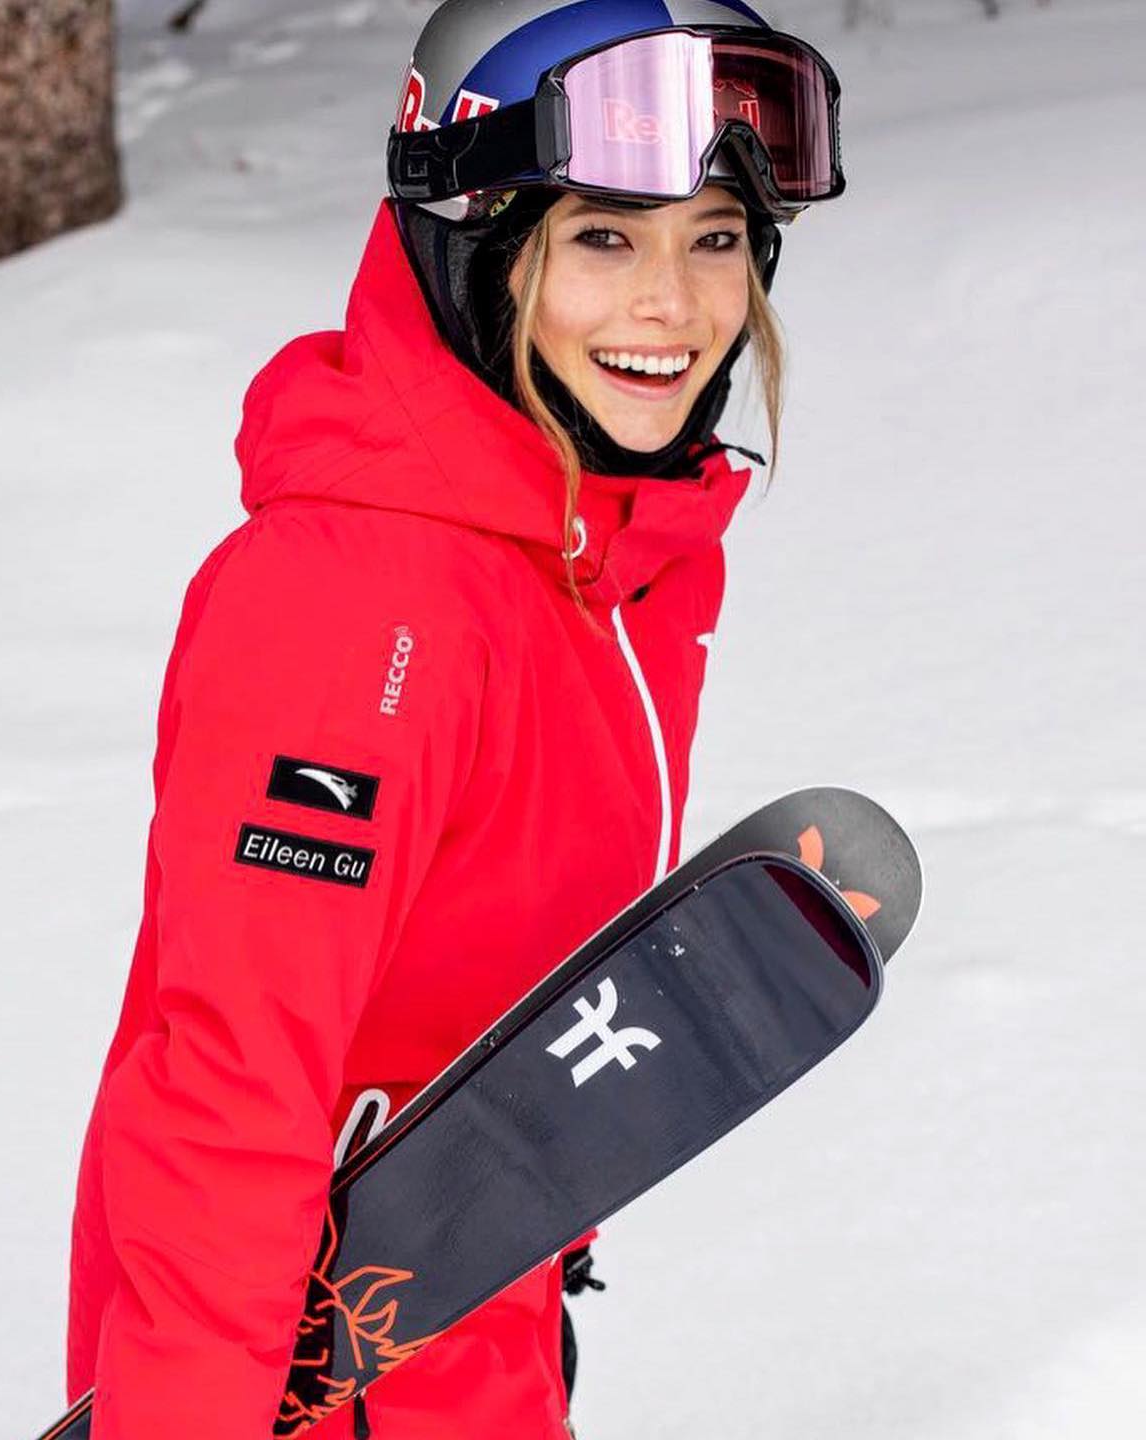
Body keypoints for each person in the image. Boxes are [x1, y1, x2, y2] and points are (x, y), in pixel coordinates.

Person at [65, 2, 846, 1437]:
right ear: (474, 244)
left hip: (475, 1328)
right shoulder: (360, 600)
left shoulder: (614, 557)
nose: (674, 305)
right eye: (603, 237)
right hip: (292, 1373)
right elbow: (229, 1092)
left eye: (716, 239)